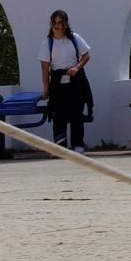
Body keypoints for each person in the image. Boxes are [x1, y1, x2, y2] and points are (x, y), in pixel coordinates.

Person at [39, 9, 92, 153]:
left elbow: (86, 56)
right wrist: (46, 87)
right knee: (59, 114)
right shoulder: (47, 43)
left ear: (65, 24)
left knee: (76, 113)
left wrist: (77, 67)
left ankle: (78, 145)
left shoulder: (74, 38)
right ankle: (60, 146)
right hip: (57, 83)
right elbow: (45, 67)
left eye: (60, 23)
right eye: (54, 23)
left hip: (75, 81)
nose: (57, 26)